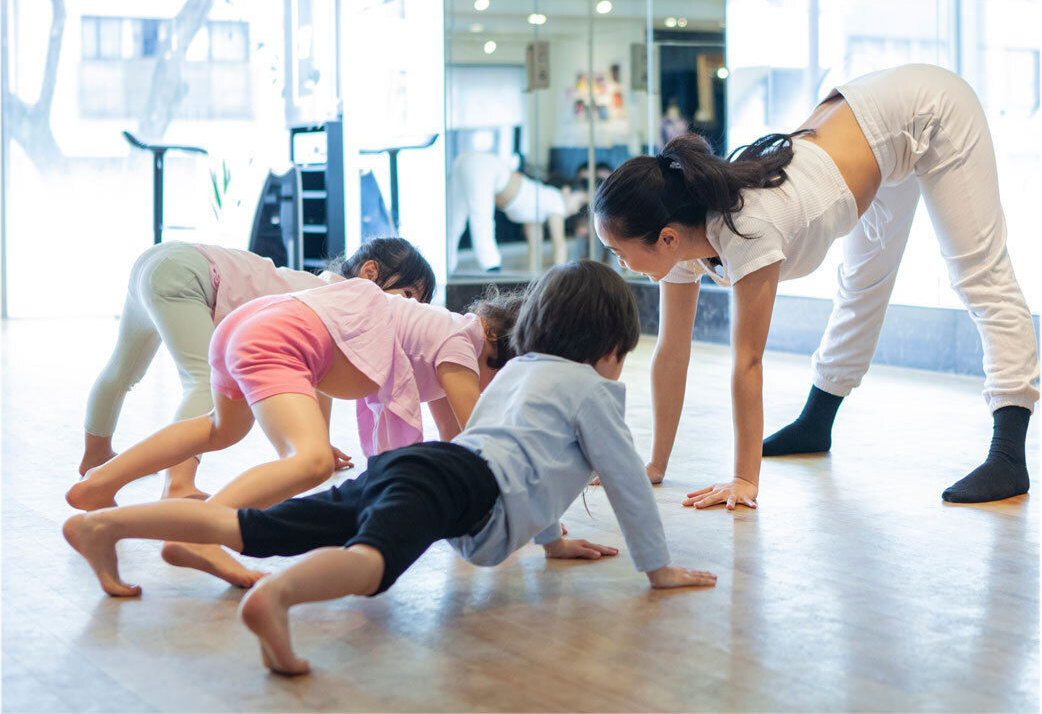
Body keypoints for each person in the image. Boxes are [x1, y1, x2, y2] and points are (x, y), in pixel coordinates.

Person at [62, 260, 717, 675]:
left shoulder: (517, 372)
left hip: (429, 464)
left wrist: (554, 539)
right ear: (611, 347)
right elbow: (625, 476)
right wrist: (657, 568)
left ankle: (107, 525)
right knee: (373, 561)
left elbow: (522, 458)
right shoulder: (591, 389)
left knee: (261, 525)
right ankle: (278, 596)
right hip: (457, 484)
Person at [593, 63, 1039, 507]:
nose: (621, 263)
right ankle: (816, 422)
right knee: (861, 284)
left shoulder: (747, 228)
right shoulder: (681, 231)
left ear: (666, 237)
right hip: (874, 125)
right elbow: (671, 352)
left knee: (976, 271)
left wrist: (744, 481)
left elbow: (747, 362)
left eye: (619, 251)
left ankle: (1009, 455)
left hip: (930, 109)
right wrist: (654, 465)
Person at [66, 279, 524, 587]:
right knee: (310, 460)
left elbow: (455, 442)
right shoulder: (463, 343)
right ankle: (198, 533)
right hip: (283, 335)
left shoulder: (446, 334)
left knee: (219, 429)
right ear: (500, 356)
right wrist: (531, 510)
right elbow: (481, 432)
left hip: (249, 324)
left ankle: (97, 485)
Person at [81, 238, 436, 500]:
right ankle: (178, 484)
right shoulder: (347, 301)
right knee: (203, 382)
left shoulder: (320, 288)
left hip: (159, 261)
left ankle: (95, 454)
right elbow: (318, 375)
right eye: (407, 296)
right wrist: (317, 439)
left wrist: (319, 439)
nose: (408, 311)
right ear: (370, 273)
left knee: (123, 370)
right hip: (190, 276)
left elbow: (315, 374)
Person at [450, 151, 586, 273]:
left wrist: (532, 278)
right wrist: (560, 280)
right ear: (566, 191)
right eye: (578, 202)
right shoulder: (557, 202)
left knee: (455, 221)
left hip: (467, 161)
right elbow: (559, 245)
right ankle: (491, 266)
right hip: (483, 166)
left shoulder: (542, 204)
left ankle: (450, 264)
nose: (576, 210)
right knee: (480, 218)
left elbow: (535, 248)